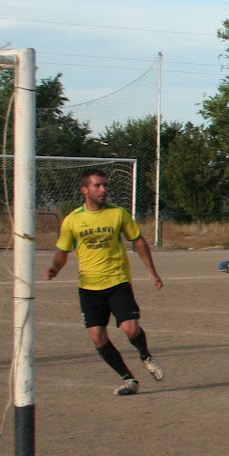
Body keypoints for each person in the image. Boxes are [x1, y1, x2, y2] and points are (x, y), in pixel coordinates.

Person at [46, 169, 165, 396]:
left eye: (105, 186)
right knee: (98, 337)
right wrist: (55, 268)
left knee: (131, 329)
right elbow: (62, 251)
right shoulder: (72, 220)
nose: (103, 190)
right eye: (98, 186)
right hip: (89, 288)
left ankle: (146, 355)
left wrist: (152, 271)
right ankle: (129, 380)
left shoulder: (118, 214)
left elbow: (138, 241)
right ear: (85, 190)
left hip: (117, 281)